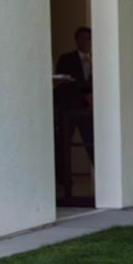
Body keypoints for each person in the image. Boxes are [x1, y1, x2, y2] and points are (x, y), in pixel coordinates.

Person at [53, 26, 95, 172]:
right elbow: (62, 84)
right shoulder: (66, 59)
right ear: (77, 40)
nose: (87, 41)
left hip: (89, 110)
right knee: (63, 144)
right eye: (83, 38)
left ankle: (104, 178)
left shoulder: (99, 58)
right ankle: (63, 181)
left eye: (89, 38)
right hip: (69, 108)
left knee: (92, 143)